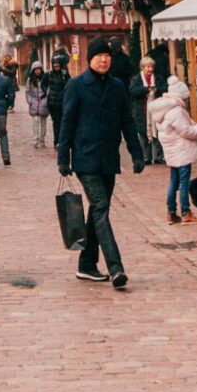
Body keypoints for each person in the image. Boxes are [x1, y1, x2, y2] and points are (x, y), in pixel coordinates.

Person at [55, 42, 129, 289]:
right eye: (99, 55)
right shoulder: (76, 86)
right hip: (86, 158)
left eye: (107, 55)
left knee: (97, 212)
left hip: (108, 158)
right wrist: (63, 158)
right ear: (90, 59)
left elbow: (126, 120)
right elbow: (66, 123)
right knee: (100, 206)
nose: (104, 60)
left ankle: (86, 264)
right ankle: (116, 268)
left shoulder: (117, 86)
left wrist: (137, 152)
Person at [148, 78, 197, 225]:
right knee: (183, 182)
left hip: (171, 151)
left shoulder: (162, 110)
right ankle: (186, 212)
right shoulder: (176, 111)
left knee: (173, 181)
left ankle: (171, 212)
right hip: (182, 150)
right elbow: (186, 131)